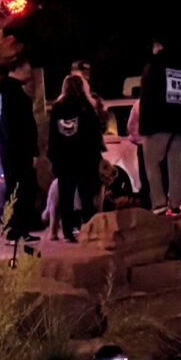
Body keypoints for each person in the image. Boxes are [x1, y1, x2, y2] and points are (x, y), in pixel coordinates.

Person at [137, 40, 181, 214]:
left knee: (152, 162)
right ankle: (176, 203)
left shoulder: (155, 64)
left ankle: (159, 203)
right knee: (175, 163)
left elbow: (147, 94)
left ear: (158, 46)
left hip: (158, 124)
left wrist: (145, 126)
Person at [46, 71, 104, 241]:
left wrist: (53, 156)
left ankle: (67, 231)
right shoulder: (86, 107)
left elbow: (53, 135)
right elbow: (94, 135)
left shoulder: (57, 108)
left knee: (66, 197)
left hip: (64, 159)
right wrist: (96, 156)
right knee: (86, 196)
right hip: (84, 159)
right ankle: (88, 228)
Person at [0, 54, 42, 241]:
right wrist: (31, 151)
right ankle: (19, 229)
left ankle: (12, 228)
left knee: (13, 189)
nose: (29, 72)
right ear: (17, 68)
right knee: (22, 190)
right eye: (26, 68)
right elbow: (23, 126)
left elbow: (1, 122)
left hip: (7, 150)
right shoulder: (14, 94)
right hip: (19, 151)